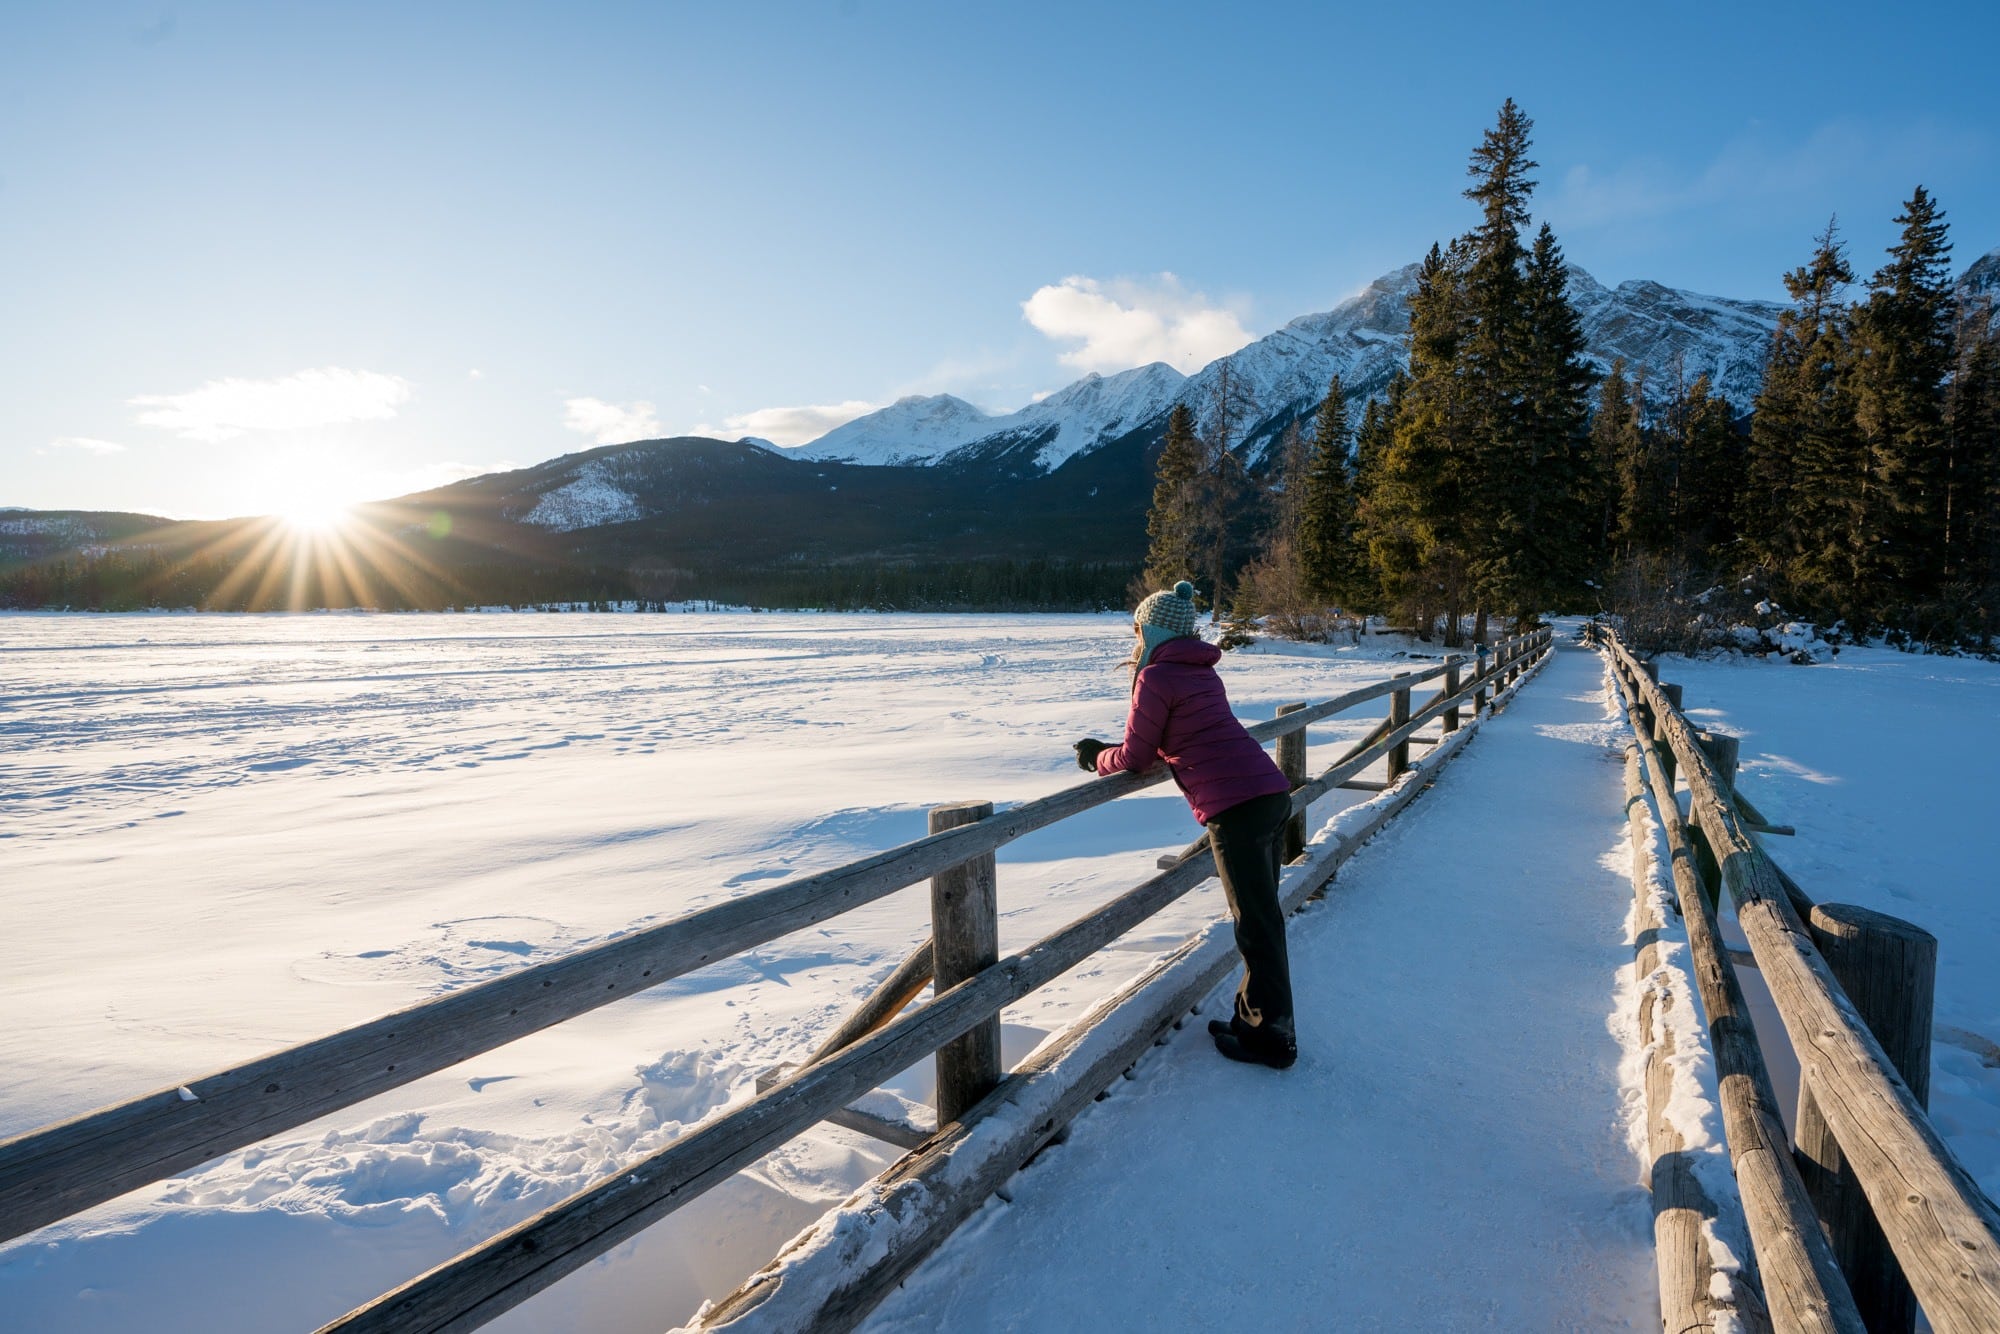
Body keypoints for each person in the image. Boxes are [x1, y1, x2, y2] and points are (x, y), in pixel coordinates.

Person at [1073, 580, 1299, 1070]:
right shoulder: (1200, 672)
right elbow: (1171, 738)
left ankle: (1271, 1039)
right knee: (1262, 918)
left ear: (1150, 630)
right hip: (1268, 792)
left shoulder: (1155, 677)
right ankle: (1252, 1019)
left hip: (1236, 807)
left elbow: (1136, 757)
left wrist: (1096, 758)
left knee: (1255, 924)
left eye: (1137, 628)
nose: (1133, 636)